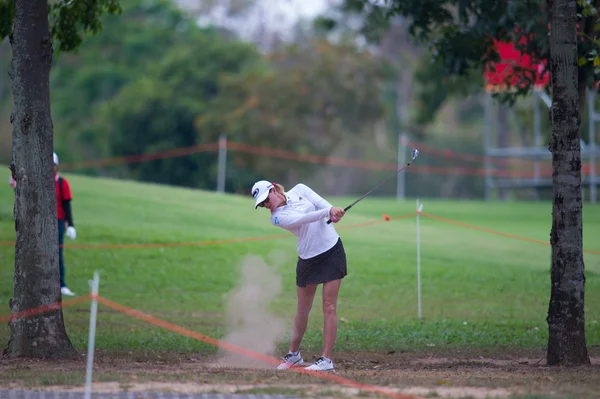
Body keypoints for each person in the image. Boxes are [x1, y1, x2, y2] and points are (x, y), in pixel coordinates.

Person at [251, 180, 347, 372]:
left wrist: (332, 211)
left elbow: (320, 202)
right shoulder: (277, 218)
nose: (265, 205)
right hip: (308, 258)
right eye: (261, 204)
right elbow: (303, 219)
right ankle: (294, 355)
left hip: (331, 250)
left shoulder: (301, 189)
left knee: (329, 305)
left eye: (265, 200)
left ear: (273, 190)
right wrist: (328, 212)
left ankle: (326, 360)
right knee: (302, 309)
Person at [8, 152, 78, 296]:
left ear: (56, 167)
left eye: (53, 165)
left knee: (57, 253)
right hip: (38, 223)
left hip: (57, 222)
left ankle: (61, 284)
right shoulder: (36, 181)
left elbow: (66, 206)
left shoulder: (61, 183)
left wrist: (70, 225)